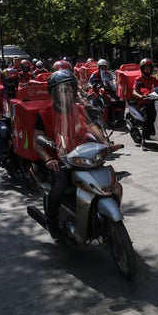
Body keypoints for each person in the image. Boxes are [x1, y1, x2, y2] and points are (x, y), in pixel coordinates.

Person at [33, 70, 109, 239]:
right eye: (62, 90)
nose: (66, 93)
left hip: (83, 158)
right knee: (59, 184)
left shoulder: (80, 109)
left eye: (69, 89)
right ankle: (51, 222)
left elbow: (92, 127)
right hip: (59, 161)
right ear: (54, 93)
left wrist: (105, 142)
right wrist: (49, 159)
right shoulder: (44, 114)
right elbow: (37, 143)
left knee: (105, 177)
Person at [132, 58, 158, 140]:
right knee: (147, 117)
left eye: (149, 68)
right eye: (145, 68)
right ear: (142, 69)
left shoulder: (153, 78)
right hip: (143, 103)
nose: (147, 70)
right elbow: (134, 92)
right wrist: (140, 96)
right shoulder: (138, 79)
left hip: (154, 101)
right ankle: (144, 140)